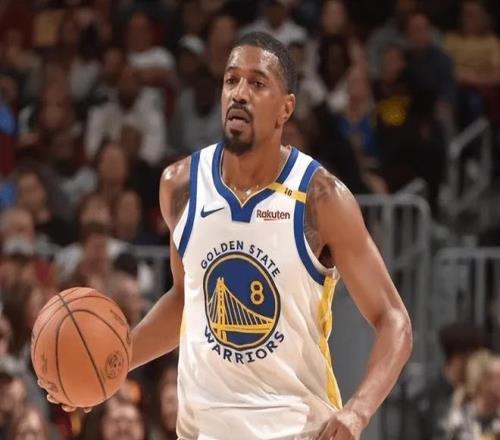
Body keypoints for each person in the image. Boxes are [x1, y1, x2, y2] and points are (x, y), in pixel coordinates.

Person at [40, 32, 412, 439]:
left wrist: (358, 411)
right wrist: (105, 367)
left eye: (257, 83)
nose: (239, 93)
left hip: (296, 430)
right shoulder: (181, 186)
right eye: (231, 80)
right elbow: (186, 300)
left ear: (286, 108)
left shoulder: (321, 199)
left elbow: (394, 320)